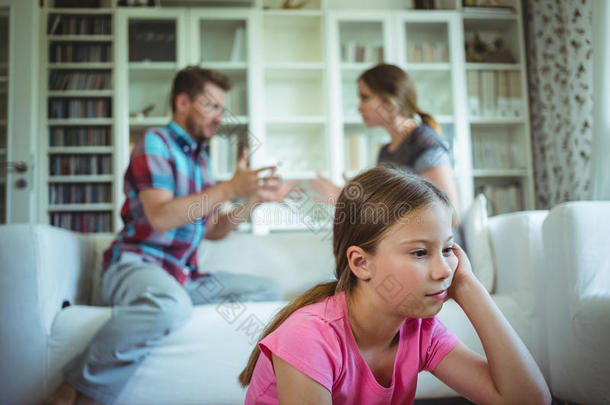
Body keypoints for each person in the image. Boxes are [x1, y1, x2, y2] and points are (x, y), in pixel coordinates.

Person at [46, 66, 298, 405]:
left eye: (222, 109)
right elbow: (162, 217)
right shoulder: (155, 142)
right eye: (211, 107)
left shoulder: (200, 161)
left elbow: (212, 229)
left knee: (267, 291)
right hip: (136, 267)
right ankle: (72, 389)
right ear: (182, 102)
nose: (219, 118)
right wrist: (229, 187)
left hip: (184, 276)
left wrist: (253, 200)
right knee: (169, 304)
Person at [240, 166, 551, 404]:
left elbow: (528, 400)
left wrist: (469, 287)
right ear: (361, 263)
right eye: (419, 252)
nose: (444, 269)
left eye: (447, 249)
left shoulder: (420, 331)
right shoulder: (310, 337)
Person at [311, 63, 461, 224]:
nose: (359, 107)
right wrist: (356, 200)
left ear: (390, 100)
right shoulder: (385, 152)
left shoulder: (424, 142)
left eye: (365, 97)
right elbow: (384, 215)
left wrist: (351, 200)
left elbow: (451, 215)